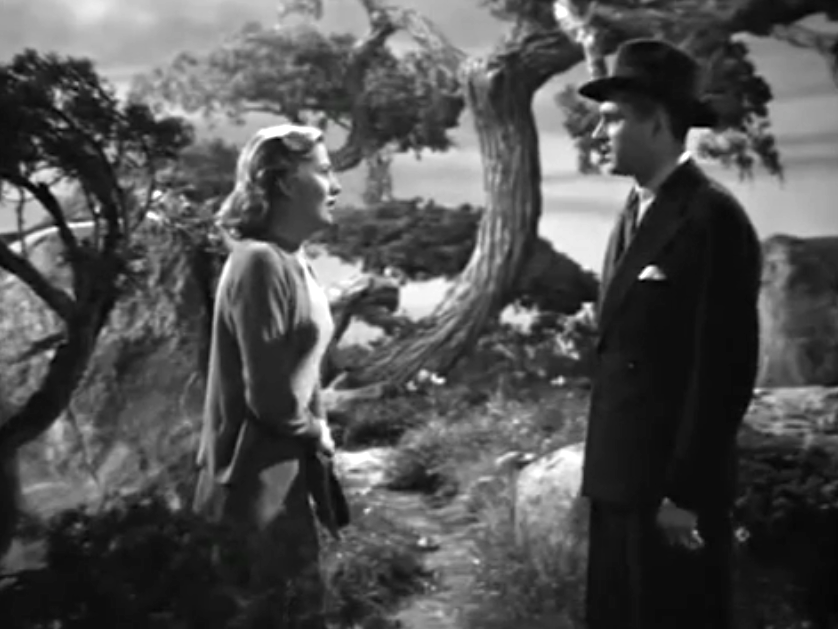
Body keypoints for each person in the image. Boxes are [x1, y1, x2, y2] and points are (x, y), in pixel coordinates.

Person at [577, 39, 762, 629]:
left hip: (667, 494)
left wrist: (684, 494)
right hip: (618, 480)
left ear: (657, 121)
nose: (597, 132)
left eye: (612, 118)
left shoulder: (711, 217)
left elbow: (723, 372)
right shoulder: (635, 211)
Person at [193, 123, 348, 628]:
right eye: (323, 171)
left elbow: (302, 372)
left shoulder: (292, 259)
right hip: (253, 482)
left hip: (285, 471)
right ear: (283, 182)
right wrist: (316, 430)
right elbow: (270, 397)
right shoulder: (258, 263)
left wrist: (316, 438)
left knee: (299, 610)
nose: (336, 186)